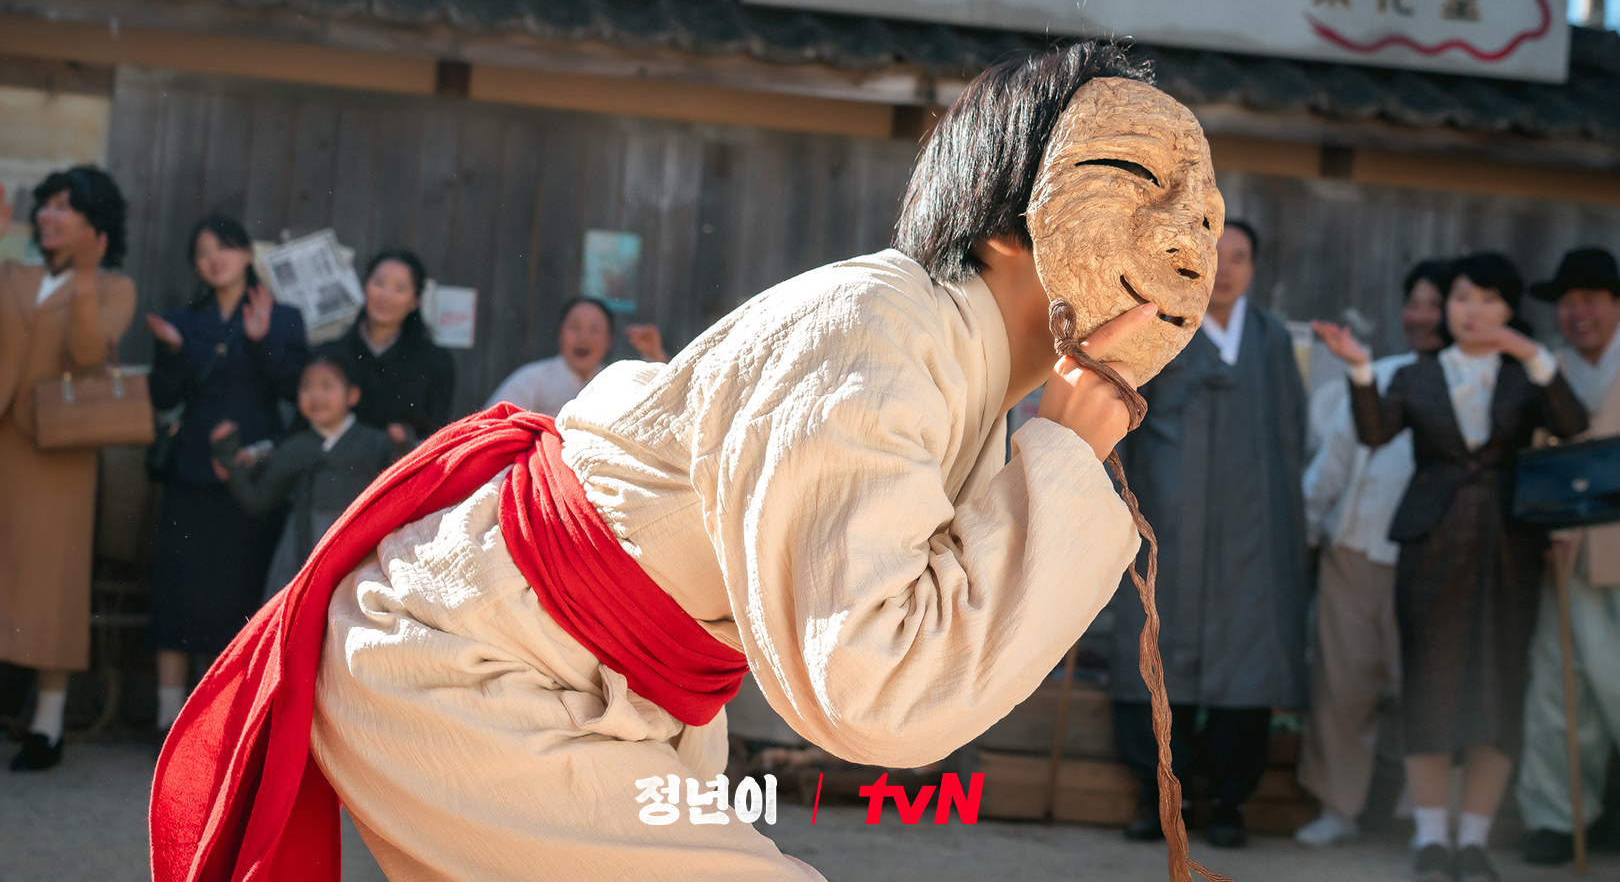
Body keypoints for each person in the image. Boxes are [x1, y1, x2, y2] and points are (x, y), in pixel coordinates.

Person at [152, 44, 1223, 881]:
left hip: (608, 687)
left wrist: (1058, 447)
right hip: (472, 666)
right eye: (1134, 183)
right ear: (1005, 220)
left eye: (1204, 214)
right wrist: (1070, 451)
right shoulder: (881, 330)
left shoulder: (960, 371)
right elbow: (871, 687)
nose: (1186, 245)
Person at [1317, 252, 1588, 882]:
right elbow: (1376, 434)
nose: (1472, 310)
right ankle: (1432, 838)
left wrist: (1530, 353)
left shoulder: (1526, 377)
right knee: (1432, 682)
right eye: (1462, 297)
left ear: (1509, 309)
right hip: (1431, 545)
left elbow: (1570, 424)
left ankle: (1475, 839)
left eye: (1489, 299)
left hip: (1508, 548)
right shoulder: (1417, 372)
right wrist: (1360, 370)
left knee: (1501, 682)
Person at [1107, 218, 1309, 849]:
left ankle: (1228, 802)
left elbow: (1291, 437)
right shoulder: (1159, 331)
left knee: (1245, 660)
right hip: (1167, 519)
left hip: (1250, 525)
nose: (1227, 269)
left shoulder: (1273, 341)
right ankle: (1156, 794)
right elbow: (1126, 427)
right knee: (1153, 647)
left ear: (1254, 269)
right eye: (1216, 257)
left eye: (1240, 257)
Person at [1293, 259, 1448, 847]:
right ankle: (1338, 807)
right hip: (1355, 555)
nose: (1423, 316)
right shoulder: (1374, 374)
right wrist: (1309, 533)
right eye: (1416, 302)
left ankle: (1425, 816)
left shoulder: (1476, 381)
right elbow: (1330, 467)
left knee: (1430, 690)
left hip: (1433, 564)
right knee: (1343, 688)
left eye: (1436, 304)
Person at [146, 216, 308, 738]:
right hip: (190, 470)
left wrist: (262, 342)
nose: (214, 258)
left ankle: (222, 722)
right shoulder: (182, 320)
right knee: (175, 588)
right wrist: (172, 353)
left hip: (251, 475)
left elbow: (295, 394)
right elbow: (164, 399)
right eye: (202, 252)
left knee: (239, 594)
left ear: (245, 254)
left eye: (224, 248)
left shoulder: (281, 318)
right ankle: (167, 718)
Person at [0, 168, 135, 772]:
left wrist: (83, 280)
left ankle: (46, 725)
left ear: (93, 224)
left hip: (59, 457)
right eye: (46, 205)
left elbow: (86, 356)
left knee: (50, 584)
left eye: (66, 207)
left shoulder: (113, 289)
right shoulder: (12, 273)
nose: (50, 215)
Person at [1517, 249, 1620, 865]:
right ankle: (1559, 817)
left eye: (1591, 299)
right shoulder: (1549, 370)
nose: (1578, 313)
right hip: (1568, 551)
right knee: (1561, 691)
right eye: (1569, 301)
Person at [210, 348, 406, 600]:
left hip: (360, 548)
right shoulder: (294, 448)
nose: (316, 396)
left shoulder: (375, 443)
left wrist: (402, 445)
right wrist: (230, 465)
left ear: (353, 394)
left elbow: (400, 493)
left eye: (327, 386)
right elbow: (258, 501)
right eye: (307, 387)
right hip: (301, 549)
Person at [333, 250, 455, 444]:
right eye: (378, 283)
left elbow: (436, 433)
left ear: (415, 301)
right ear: (365, 287)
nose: (385, 295)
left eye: (399, 289)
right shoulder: (332, 354)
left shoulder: (436, 361)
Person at [485, 297, 669, 415]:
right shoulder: (530, 379)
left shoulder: (618, 382)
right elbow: (492, 425)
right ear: (560, 334)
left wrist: (655, 356)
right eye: (574, 327)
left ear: (609, 340)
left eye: (595, 329)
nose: (583, 337)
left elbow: (660, 409)